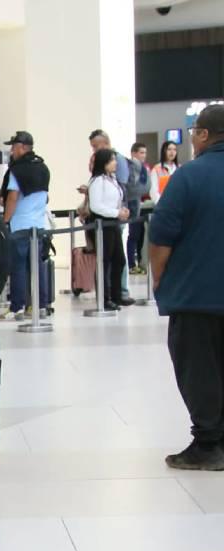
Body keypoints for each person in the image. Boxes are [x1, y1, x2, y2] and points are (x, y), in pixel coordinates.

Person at [149, 104, 224, 471]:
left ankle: (209, 444)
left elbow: (161, 237)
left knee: (199, 370)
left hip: (197, 298)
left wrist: (160, 279)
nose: (192, 139)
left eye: (194, 132)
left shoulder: (188, 177)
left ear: (205, 134)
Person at [0, 130, 53, 321]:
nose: (12, 151)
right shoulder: (43, 167)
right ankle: (41, 306)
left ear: (23, 147)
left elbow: (12, 197)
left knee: (18, 268)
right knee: (37, 267)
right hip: (38, 225)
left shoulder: (17, 170)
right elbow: (45, 197)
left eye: (14, 147)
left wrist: (5, 220)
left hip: (20, 226)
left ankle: (17, 307)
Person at [87, 130, 133, 300]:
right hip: (103, 224)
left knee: (119, 259)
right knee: (104, 261)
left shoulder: (112, 179)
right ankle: (104, 298)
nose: (115, 163)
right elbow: (96, 206)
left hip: (113, 222)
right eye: (112, 160)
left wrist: (122, 210)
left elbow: (117, 197)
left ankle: (116, 294)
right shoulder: (97, 181)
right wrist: (116, 212)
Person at [126, 143, 150, 274]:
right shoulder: (130, 168)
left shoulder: (145, 168)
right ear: (133, 153)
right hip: (132, 203)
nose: (143, 156)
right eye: (141, 152)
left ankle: (141, 262)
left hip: (142, 204)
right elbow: (132, 186)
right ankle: (131, 264)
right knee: (133, 234)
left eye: (145, 153)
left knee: (140, 235)